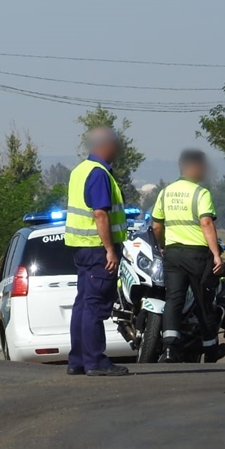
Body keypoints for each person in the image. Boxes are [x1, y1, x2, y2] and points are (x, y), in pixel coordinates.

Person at [65, 126, 130, 376]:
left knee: (82, 303)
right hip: (96, 249)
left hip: (82, 248)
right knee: (94, 305)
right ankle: (95, 361)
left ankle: (78, 360)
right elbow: (100, 214)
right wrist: (110, 250)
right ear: (105, 145)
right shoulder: (99, 173)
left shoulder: (80, 171)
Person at [151, 149, 225, 363]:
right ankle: (210, 349)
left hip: (173, 254)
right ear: (193, 167)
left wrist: (163, 247)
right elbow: (206, 223)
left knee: (173, 299)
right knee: (203, 301)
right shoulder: (200, 193)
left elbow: (156, 225)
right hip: (198, 255)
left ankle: (169, 348)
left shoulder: (165, 193)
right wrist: (216, 255)